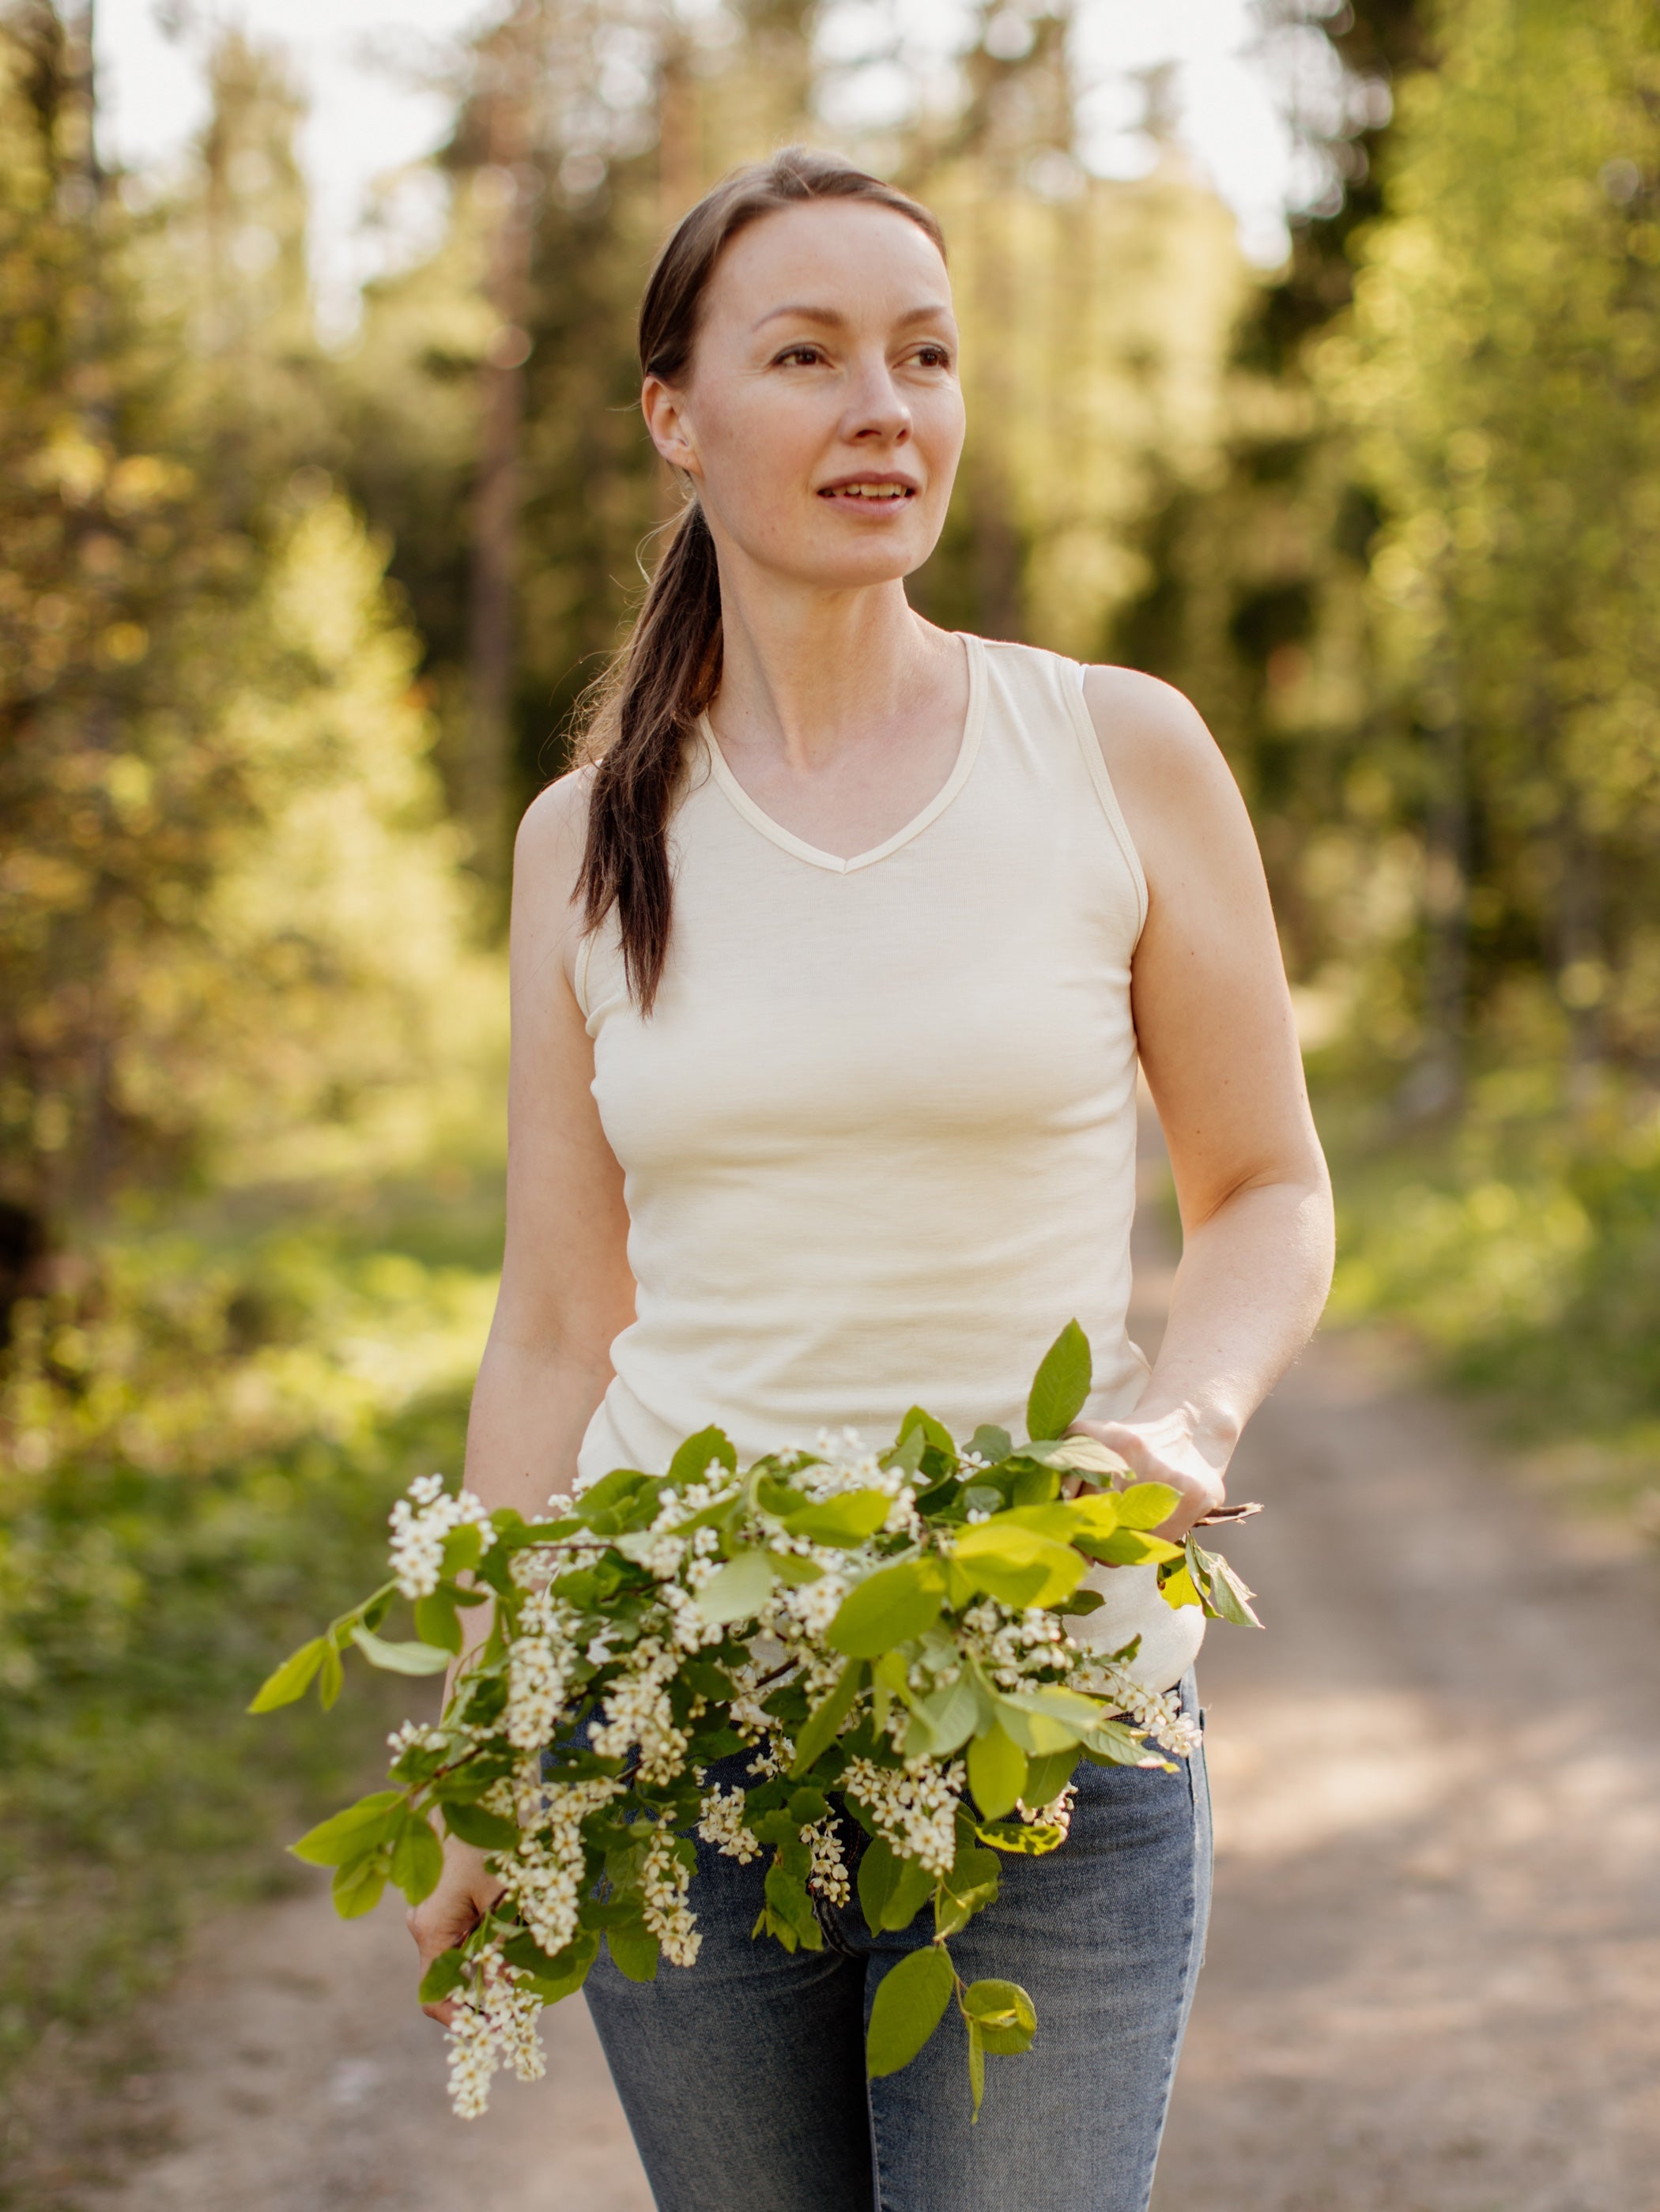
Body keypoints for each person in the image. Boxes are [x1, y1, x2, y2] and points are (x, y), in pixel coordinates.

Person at [409, 146, 1334, 2212]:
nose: (880, 411)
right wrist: (490, 1733)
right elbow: (561, 1320)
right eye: (806, 357)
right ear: (675, 415)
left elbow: (1263, 1181)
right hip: (684, 1724)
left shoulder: (1114, 753)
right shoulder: (590, 838)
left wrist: (1184, 1409)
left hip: (1050, 1714)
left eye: (921, 358)